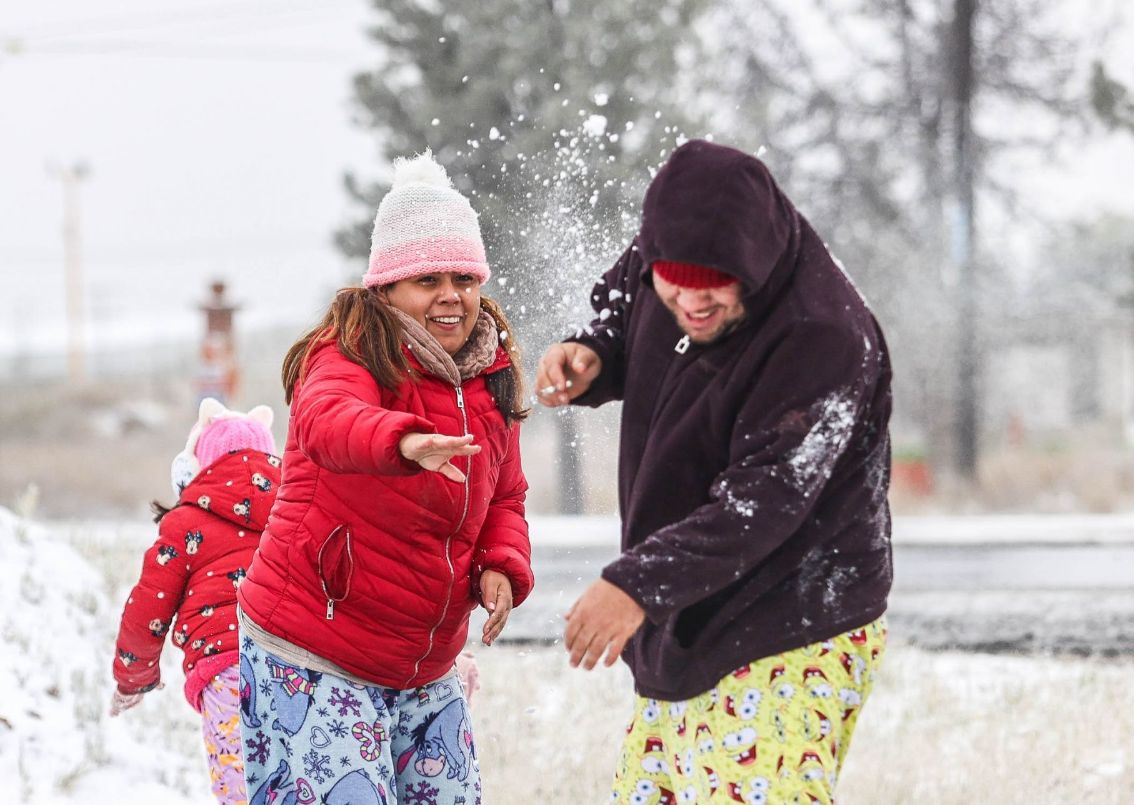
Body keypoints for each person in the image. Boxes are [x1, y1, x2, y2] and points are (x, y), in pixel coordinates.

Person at [537, 140, 893, 804]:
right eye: (675, 290)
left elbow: (763, 500)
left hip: (791, 621)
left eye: (713, 293)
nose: (690, 306)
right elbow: (625, 301)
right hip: (689, 613)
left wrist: (636, 584)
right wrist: (595, 352)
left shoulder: (823, 336)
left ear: (751, 266)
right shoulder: (664, 257)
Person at [236, 152, 533, 805]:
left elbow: (504, 495)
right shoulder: (349, 352)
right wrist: (400, 440)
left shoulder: (490, 379)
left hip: (422, 665)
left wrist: (499, 565)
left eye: (464, 276)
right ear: (388, 287)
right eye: (428, 278)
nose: (451, 293)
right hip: (317, 646)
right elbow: (325, 420)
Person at [110, 397, 280, 805]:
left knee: (240, 788)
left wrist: (132, 678)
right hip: (296, 668)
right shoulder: (294, 514)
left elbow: (148, 606)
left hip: (226, 673)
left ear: (198, 467)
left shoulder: (185, 523)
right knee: (298, 784)